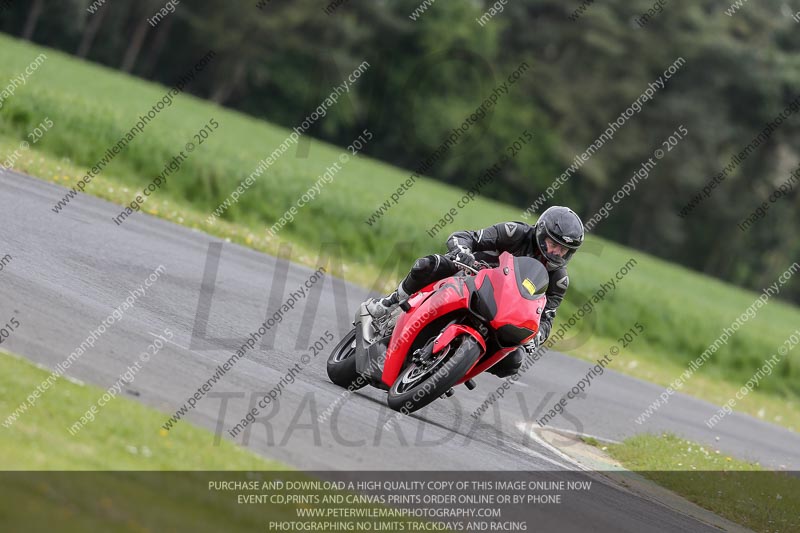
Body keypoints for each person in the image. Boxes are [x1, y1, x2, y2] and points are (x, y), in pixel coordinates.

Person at [366, 206, 584, 378]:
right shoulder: (514, 232)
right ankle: (390, 303)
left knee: (514, 359)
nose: (556, 252)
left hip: (501, 310)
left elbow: (546, 317)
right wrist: (463, 253)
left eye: (563, 250)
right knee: (429, 265)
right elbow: (466, 237)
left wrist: (536, 337)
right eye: (552, 244)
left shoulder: (559, 280)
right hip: (469, 276)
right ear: (541, 232)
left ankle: (459, 367)